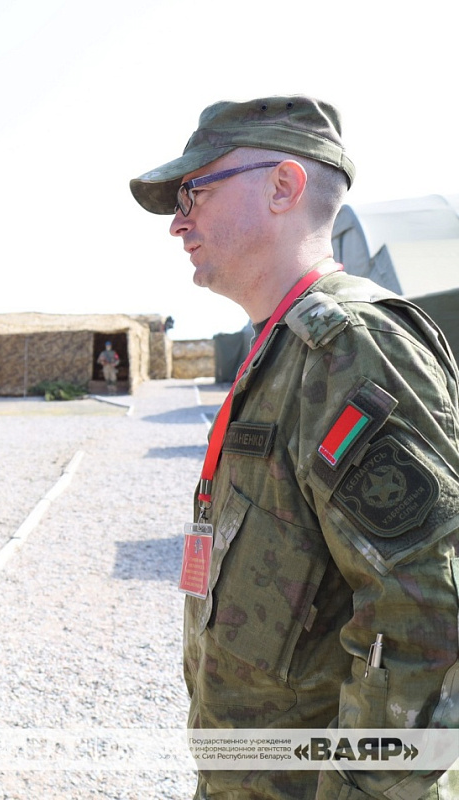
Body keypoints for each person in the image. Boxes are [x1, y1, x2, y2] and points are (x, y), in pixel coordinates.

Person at [130, 96, 459, 798]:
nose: (178, 222)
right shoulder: (285, 345)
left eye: (194, 192)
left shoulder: (353, 348)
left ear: (283, 187)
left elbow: (425, 616)